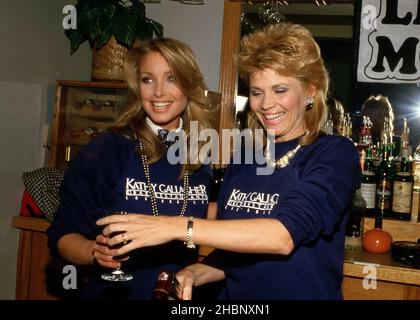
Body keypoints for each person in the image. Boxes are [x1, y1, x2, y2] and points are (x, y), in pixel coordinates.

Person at [97, 23, 361, 300]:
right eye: (257, 92)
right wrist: (195, 273)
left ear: (310, 91)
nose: (266, 104)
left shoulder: (334, 154)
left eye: (280, 89)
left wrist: (172, 226)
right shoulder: (247, 156)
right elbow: (236, 251)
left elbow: (281, 237)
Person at [47, 38, 217, 299]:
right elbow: (62, 235)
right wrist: (94, 250)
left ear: (189, 85)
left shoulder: (201, 152)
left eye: (171, 78)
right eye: (148, 80)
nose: (159, 92)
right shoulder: (109, 149)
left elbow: (203, 217)